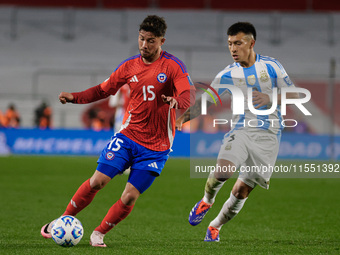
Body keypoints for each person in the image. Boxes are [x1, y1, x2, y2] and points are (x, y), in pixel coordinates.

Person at [41, 15, 195, 247]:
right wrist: (75, 98)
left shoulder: (172, 66)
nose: (144, 45)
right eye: (141, 39)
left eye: (151, 41)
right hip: (128, 137)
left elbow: (189, 94)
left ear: (162, 41)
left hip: (156, 147)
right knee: (97, 181)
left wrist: (177, 100)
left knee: (130, 195)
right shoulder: (129, 66)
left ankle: (99, 233)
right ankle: (63, 219)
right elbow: (103, 90)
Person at [176, 22, 299, 242]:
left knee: (242, 192)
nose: (233, 48)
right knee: (223, 170)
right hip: (242, 130)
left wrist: (271, 99)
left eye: (238, 43)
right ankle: (206, 200)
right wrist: (183, 118)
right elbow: (207, 101)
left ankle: (215, 226)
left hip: (269, 136)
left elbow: (295, 96)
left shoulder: (271, 66)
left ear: (251, 43)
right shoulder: (227, 74)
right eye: (230, 44)